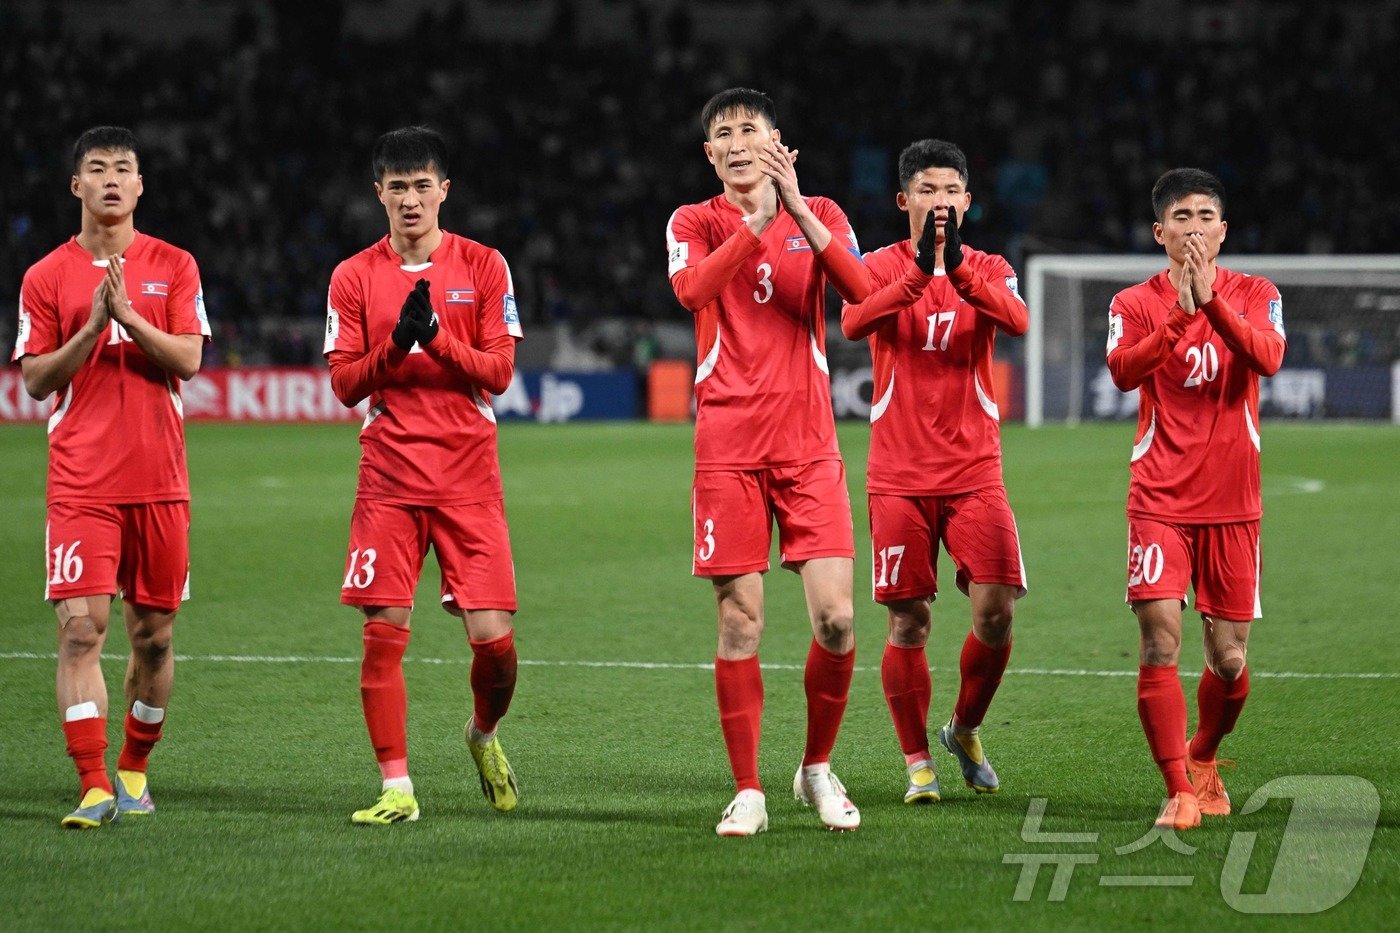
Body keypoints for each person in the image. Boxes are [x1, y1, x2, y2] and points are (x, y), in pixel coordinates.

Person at [665, 88, 872, 836]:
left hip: (808, 445)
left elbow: (862, 294)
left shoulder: (823, 213)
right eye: (723, 134)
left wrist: (795, 209)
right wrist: (754, 222)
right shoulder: (692, 221)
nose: (736, 142)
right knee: (739, 621)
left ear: (776, 142)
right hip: (728, 447)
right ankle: (747, 788)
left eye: (749, 129)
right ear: (710, 154)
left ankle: (816, 767)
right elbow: (692, 290)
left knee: (838, 619)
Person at [325, 126, 524, 825]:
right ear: (378, 193)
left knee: (495, 646)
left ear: (444, 190)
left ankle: (483, 733)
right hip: (389, 478)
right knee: (383, 632)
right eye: (397, 187)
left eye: (421, 185)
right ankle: (397, 787)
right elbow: (345, 385)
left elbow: (499, 372)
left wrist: (435, 339)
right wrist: (395, 346)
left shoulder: (485, 264)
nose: (410, 199)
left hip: (468, 478)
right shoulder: (352, 276)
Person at [12, 126, 210, 828]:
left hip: (160, 481)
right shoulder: (44, 276)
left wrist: (127, 316)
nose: (111, 180)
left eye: (124, 168)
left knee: (153, 638)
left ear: (140, 185)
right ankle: (93, 783)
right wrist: (93, 327)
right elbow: (35, 378)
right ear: (78, 185)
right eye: (97, 169)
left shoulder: (175, 265)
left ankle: (133, 767)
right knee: (80, 632)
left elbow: (189, 360)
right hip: (81, 484)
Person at [840, 140, 1028, 805]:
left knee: (997, 611)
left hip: (975, 472)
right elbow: (854, 320)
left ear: (967, 201)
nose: (940, 200)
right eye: (927, 189)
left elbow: (1018, 320)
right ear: (904, 200)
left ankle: (964, 728)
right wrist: (918, 274)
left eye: (951, 190)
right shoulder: (877, 265)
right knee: (908, 622)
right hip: (898, 475)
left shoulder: (992, 267)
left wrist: (956, 271)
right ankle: (917, 761)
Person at [1106, 168, 1286, 830]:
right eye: (1181, 217)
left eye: (1206, 216)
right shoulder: (1132, 302)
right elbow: (1123, 371)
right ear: (1160, 232)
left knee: (1229, 660)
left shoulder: (1258, 293)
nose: (1194, 228)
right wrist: (1181, 314)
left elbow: (1267, 357)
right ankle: (1179, 789)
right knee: (1160, 640)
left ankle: (1203, 754)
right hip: (1158, 498)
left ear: (1223, 229)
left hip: (1234, 504)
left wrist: (1210, 302)